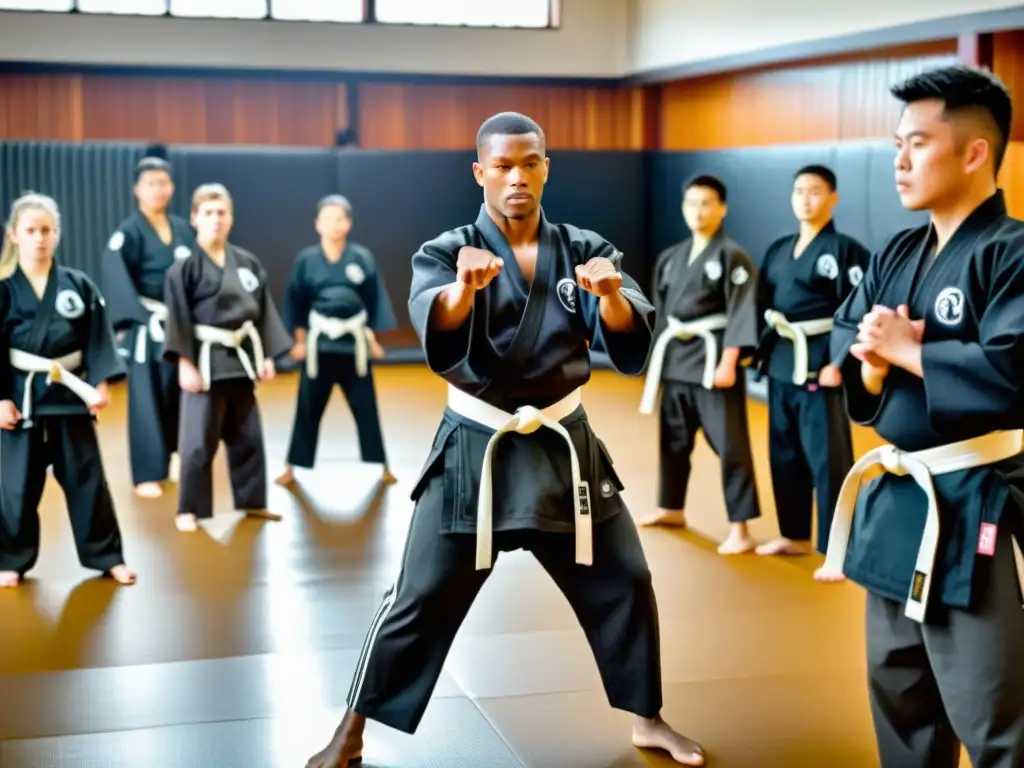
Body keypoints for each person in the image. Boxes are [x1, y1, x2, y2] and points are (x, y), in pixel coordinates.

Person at [306, 112, 706, 767]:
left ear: (546, 166)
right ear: (480, 172)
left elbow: (630, 336)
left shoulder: (584, 249)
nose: (517, 177)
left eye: (530, 163)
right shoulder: (447, 250)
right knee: (418, 597)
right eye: (502, 165)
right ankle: (348, 731)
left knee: (626, 578)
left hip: (563, 447)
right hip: (476, 450)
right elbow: (437, 330)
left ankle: (648, 718)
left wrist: (608, 299)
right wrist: (464, 289)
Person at [815, 65, 1024, 766]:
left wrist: (912, 352)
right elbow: (851, 339)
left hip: (975, 502)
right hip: (900, 497)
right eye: (895, 143)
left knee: (991, 709)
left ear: (973, 152)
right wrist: (874, 364)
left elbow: (1014, 371)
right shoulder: (899, 251)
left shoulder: (1013, 253)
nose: (899, 160)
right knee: (899, 691)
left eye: (918, 143)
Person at [0, 192, 136, 588]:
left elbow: (99, 340)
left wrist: (101, 381)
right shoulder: (5, 290)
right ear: (14, 235)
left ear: (56, 234)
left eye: (46, 230)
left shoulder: (79, 285)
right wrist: (1, 399)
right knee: (14, 487)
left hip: (69, 400)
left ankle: (108, 556)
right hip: (23, 401)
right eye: (31, 230)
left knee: (88, 479)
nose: (39, 238)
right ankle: (11, 560)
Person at [637, 175, 761, 556]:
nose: (698, 211)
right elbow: (659, 314)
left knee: (730, 445)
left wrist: (730, 361)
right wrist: (651, 360)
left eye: (706, 203)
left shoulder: (732, 256)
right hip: (676, 363)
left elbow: (742, 310)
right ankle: (671, 508)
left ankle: (740, 529)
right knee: (672, 442)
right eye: (691, 203)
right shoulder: (671, 258)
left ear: (721, 208)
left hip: (713, 365)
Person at [161, 183, 293, 533]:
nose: (215, 220)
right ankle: (188, 509)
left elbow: (262, 312)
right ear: (194, 218)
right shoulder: (183, 269)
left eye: (221, 213)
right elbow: (177, 318)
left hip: (241, 361)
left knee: (248, 436)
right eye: (208, 213)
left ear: (231, 218)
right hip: (204, 361)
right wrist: (184, 363)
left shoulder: (247, 262)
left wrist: (264, 355)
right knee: (197, 443)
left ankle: (253, 501)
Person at [754, 165, 870, 557]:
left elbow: (858, 309)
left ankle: (837, 543)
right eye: (799, 191)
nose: (806, 199)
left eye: (815, 191)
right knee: (783, 452)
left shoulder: (844, 250)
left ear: (833, 198)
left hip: (822, 364)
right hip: (783, 361)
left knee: (828, 457)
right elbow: (761, 305)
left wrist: (839, 361)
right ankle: (795, 534)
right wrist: (754, 352)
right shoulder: (777, 249)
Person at [276, 195, 398, 488]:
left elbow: (372, 301)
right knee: (307, 406)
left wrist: (371, 338)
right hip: (319, 347)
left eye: (339, 218)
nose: (334, 224)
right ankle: (291, 467)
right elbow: (296, 301)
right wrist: (300, 340)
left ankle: (383, 465)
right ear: (317, 224)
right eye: (328, 218)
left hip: (353, 346)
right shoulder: (306, 260)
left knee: (366, 405)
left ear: (348, 224)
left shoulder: (361, 258)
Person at [100, 146, 195, 499]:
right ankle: (146, 473)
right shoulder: (128, 232)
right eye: (151, 183)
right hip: (145, 327)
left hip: (179, 324)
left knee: (177, 395)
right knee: (146, 400)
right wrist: (133, 320)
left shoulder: (184, 230)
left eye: (164, 182)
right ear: (137, 189)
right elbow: (116, 276)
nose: (159, 189)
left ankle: (172, 458)